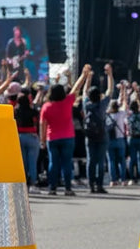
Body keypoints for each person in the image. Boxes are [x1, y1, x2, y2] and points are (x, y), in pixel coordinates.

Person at [40, 73, 85, 196]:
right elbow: (76, 87)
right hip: (68, 137)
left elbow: (42, 125)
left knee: (53, 163)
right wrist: (83, 76)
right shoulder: (68, 102)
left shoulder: (46, 107)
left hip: (52, 137)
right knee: (66, 163)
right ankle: (68, 188)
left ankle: (52, 188)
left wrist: (42, 140)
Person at [83, 62, 115, 194]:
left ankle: (91, 185)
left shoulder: (86, 105)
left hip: (90, 135)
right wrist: (110, 75)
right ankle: (100, 185)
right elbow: (110, 90)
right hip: (102, 134)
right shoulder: (102, 105)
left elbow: (85, 91)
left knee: (91, 160)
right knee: (101, 161)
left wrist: (88, 78)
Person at [14, 92, 40, 192]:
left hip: (19, 136)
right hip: (32, 136)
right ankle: (33, 183)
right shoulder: (33, 111)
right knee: (32, 162)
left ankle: (23, 183)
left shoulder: (16, 111)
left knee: (23, 162)